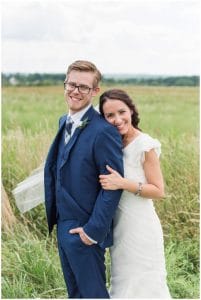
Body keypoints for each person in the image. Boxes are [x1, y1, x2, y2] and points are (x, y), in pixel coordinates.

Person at [44, 61, 124, 298]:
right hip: (63, 224)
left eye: (83, 87)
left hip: (85, 229)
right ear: (65, 84)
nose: (75, 91)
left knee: (93, 295)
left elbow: (112, 186)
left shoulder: (103, 131)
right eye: (72, 84)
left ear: (94, 91)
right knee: (75, 294)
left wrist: (92, 231)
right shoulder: (63, 121)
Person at [99, 89, 171, 298]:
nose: (117, 119)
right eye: (110, 115)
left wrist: (123, 183)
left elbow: (158, 191)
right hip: (119, 228)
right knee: (123, 283)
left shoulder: (145, 145)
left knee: (144, 284)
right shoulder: (113, 144)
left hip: (141, 228)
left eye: (122, 112)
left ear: (131, 110)